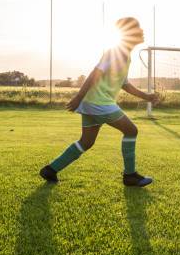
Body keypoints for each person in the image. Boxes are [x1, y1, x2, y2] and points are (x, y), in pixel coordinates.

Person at [39, 17, 159, 187]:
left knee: (86, 142)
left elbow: (124, 84)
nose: (142, 31)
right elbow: (94, 74)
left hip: (92, 104)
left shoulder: (126, 56)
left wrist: (146, 97)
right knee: (131, 130)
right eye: (138, 28)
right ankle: (130, 175)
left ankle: (51, 170)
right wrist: (78, 98)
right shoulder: (114, 52)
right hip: (99, 103)